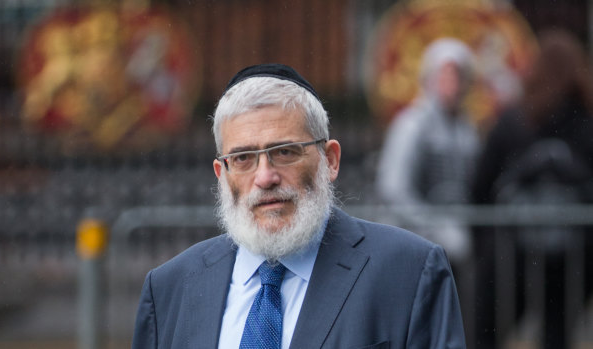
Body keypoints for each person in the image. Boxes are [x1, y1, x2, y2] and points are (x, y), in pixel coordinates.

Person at [132, 63, 465, 348]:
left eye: (285, 152)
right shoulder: (169, 289)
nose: (265, 177)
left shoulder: (407, 271)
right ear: (222, 174)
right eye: (243, 158)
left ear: (330, 160)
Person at [472, 29, 593, 349]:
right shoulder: (586, 126)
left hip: (511, 252)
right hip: (573, 258)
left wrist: (482, 242)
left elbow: (479, 186)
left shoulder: (514, 121)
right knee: (558, 336)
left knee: (487, 334)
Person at [375, 38, 480, 263]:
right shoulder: (411, 124)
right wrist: (433, 229)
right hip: (410, 244)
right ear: (429, 78)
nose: (451, 84)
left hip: (453, 247)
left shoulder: (466, 129)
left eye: (457, 76)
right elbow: (394, 188)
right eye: (444, 75)